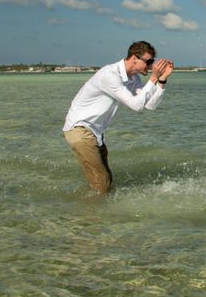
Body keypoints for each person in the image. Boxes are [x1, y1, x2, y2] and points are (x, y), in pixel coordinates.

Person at [63, 41, 173, 194]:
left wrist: (162, 80)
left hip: (95, 132)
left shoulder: (133, 78)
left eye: (152, 62)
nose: (150, 66)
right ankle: (90, 216)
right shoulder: (110, 75)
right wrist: (154, 77)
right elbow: (136, 106)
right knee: (102, 183)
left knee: (106, 180)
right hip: (80, 129)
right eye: (148, 62)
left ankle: (97, 212)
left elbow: (149, 105)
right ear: (134, 58)